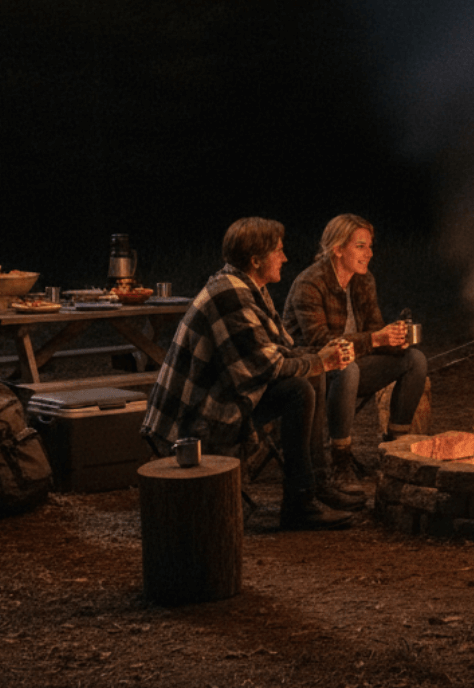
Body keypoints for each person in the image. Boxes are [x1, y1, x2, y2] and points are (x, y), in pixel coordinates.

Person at [141, 217, 355, 531]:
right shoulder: (229, 295)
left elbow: (281, 348)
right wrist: (320, 361)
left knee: (309, 376)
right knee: (300, 389)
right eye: (278, 251)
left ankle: (313, 487)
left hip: (223, 395)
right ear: (255, 260)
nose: (285, 258)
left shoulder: (249, 286)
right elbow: (266, 366)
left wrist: (320, 358)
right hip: (194, 419)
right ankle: (300, 502)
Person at [282, 213, 429, 493]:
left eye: (369, 246)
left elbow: (373, 332)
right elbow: (322, 342)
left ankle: (393, 450)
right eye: (360, 246)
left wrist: (395, 338)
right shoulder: (310, 284)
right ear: (337, 249)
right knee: (347, 366)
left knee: (415, 360)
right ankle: (340, 462)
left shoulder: (363, 280)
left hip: (354, 367)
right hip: (312, 374)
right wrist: (375, 339)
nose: (369, 253)